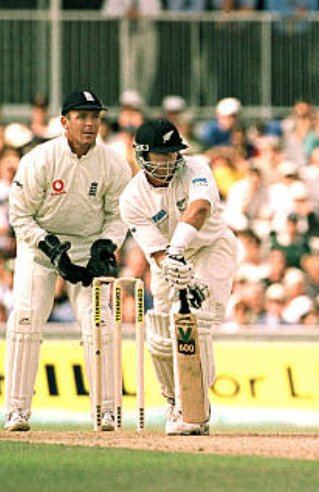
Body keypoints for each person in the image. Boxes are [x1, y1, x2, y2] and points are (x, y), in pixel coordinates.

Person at [5, 90, 130, 432]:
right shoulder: (40, 159)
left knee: (100, 324)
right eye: (81, 117)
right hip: (41, 248)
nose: (90, 124)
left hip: (87, 247)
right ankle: (16, 411)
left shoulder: (113, 162)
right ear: (64, 122)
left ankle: (106, 411)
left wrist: (106, 246)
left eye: (95, 117)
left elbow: (119, 215)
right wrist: (50, 247)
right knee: (26, 318)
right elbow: (20, 216)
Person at [119, 119, 237, 435]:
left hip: (212, 246)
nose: (170, 160)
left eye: (173, 153)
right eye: (161, 154)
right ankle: (174, 401)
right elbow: (154, 250)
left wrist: (176, 250)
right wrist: (169, 260)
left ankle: (195, 407)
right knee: (160, 333)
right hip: (169, 258)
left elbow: (199, 209)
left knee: (195, 321)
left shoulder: (196, 167)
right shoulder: (131, 199)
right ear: (143, 156)